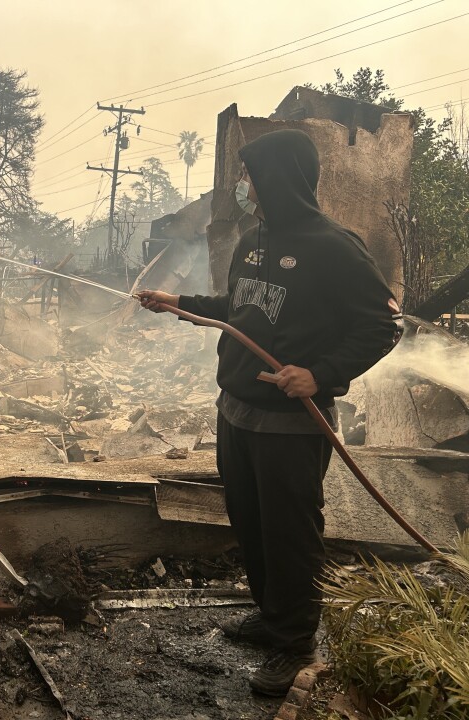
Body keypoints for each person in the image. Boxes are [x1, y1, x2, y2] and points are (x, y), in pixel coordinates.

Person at [137, 129, 402, 696]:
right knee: (251, 522)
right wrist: (177, 303)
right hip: (234, 410)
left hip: (290, 421)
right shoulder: (253, 241)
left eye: (252, 176)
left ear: (279, 179)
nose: (244, 187)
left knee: (289, 532)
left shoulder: (335, 246)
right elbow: (238, 309)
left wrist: (322, 373)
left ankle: (294, 643)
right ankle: (270, 616)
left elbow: (382, 326)